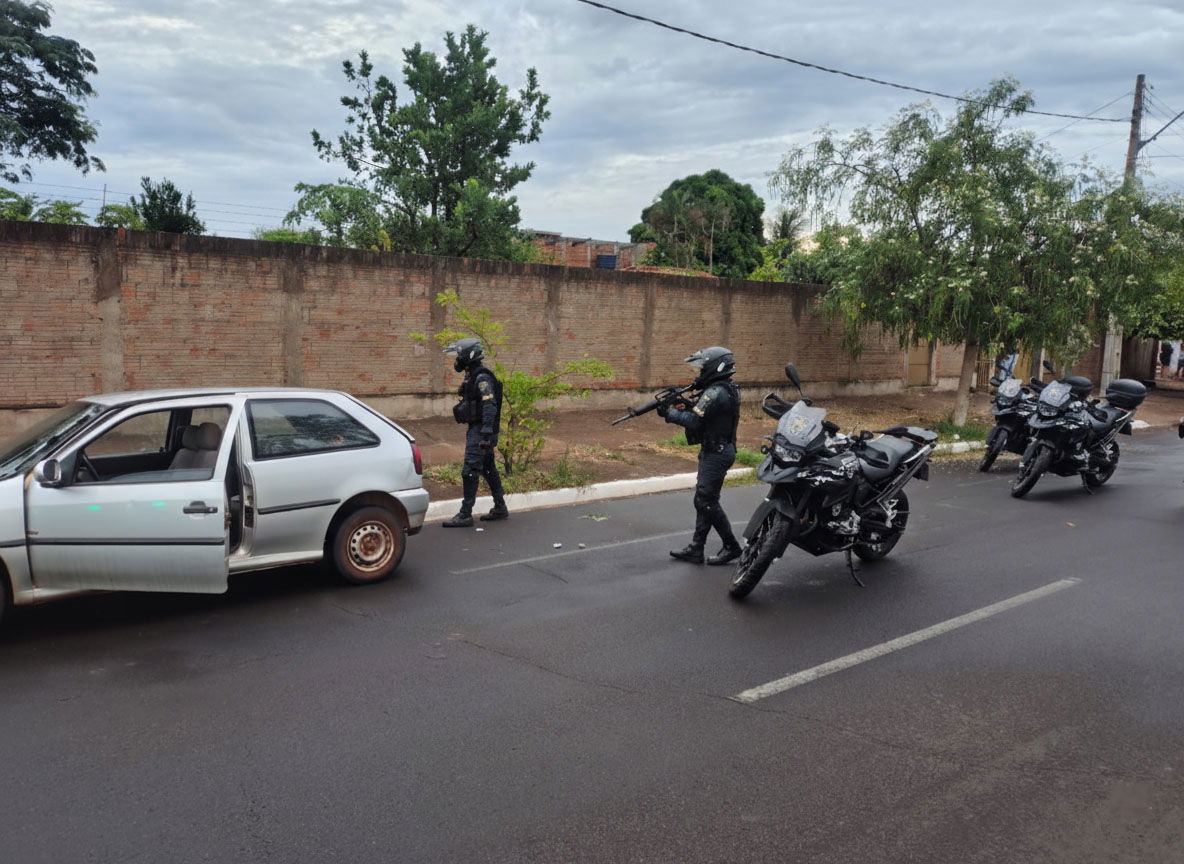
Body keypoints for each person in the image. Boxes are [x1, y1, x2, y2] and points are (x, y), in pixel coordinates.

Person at [660, 346, 742, 565]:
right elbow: (707, 416)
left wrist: (669, 413)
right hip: (718, 450)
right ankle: (697, 548)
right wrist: (686, 406)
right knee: (706, 500)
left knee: (704, 500)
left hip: (717, 453)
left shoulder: (715, 392)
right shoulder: (726, 388)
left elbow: (695, 421)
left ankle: (732, 546)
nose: (700, 372)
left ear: (716, 367)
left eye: (703, 368)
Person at [441, 338, 508, 528]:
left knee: (470, 470)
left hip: (481, 430)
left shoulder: (482, 378)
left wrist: (486, 432)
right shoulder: (473, 375)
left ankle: (465, 514)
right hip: (479, 429)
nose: (457, 360)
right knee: (488, 468)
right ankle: (500, 507)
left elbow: (489, 405)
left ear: (469, 356)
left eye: (459, 356)